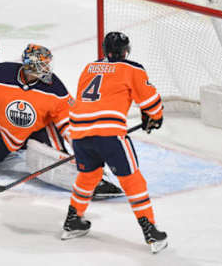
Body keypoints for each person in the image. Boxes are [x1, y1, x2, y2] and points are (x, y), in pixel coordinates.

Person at [0, 44, 123, 198]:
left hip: (41, 130)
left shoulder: (55, 89)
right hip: (5, 131)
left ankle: (93, 180)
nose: (47, 71)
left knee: (56, 160)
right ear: (29, 67)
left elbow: (70, 122)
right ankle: (15, 148)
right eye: (43, 67)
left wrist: (82, 145)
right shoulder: (0, 75)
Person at [60, 32, 168, 254]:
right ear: (126, 51)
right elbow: (150, 101)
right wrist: (155, 117)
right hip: (109, 133)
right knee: (132, 181)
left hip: (78, 131)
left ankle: (73, 221)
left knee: (88, 176)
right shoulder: (132, 68)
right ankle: (150, 230)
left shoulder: (89, 67)